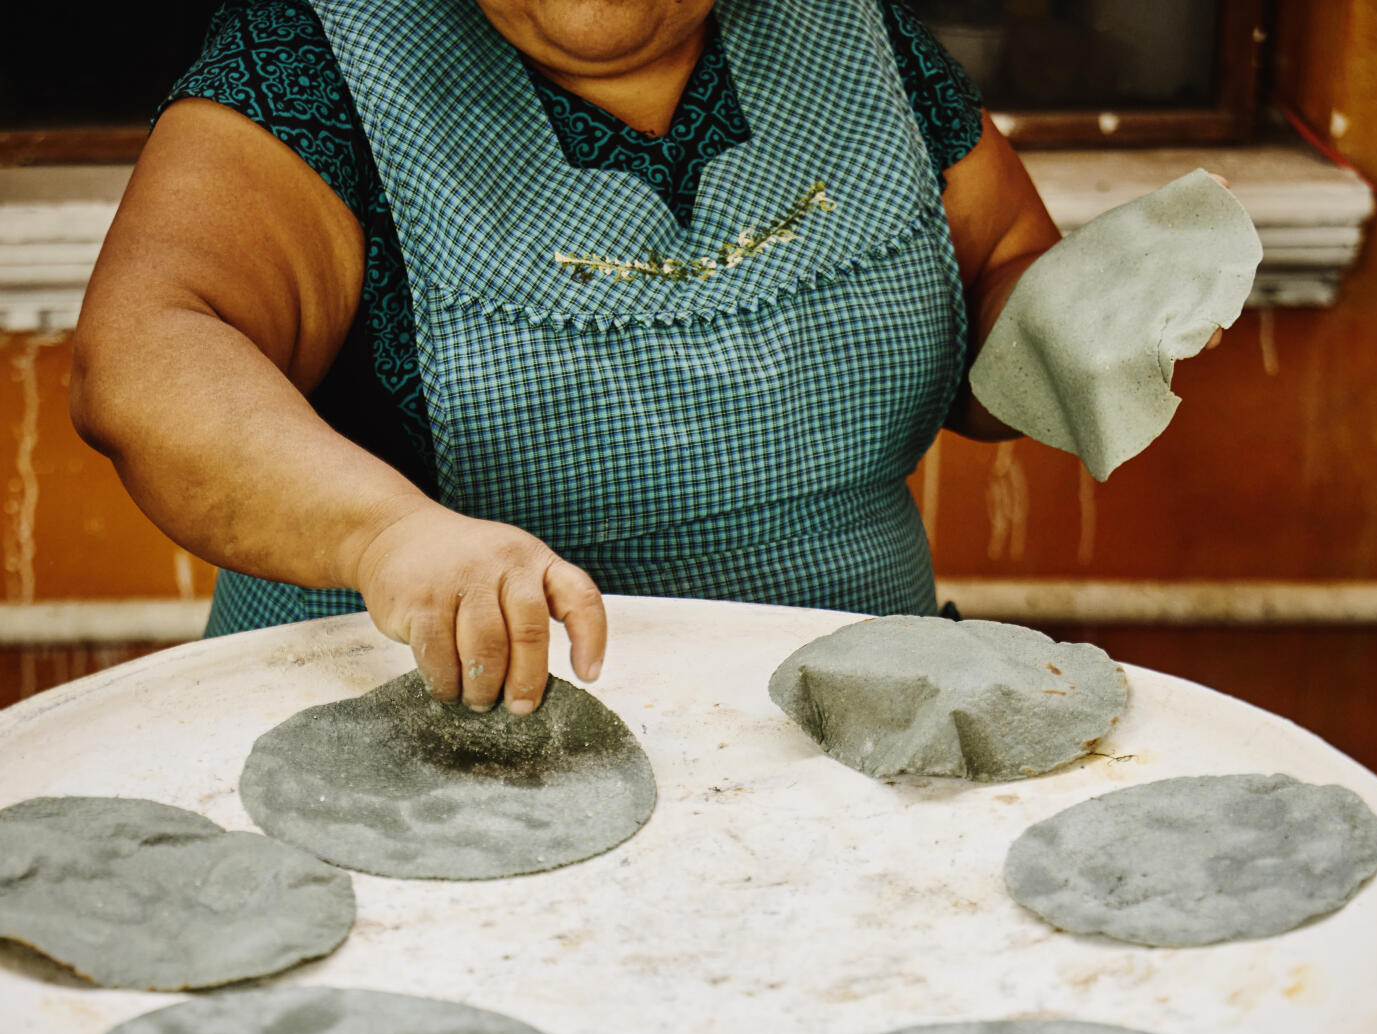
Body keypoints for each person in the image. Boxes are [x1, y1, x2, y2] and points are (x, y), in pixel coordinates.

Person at [72, 0, 1059, 713]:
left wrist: (1075, 323)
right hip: (418, 783)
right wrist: (384, 536)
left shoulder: (862, 44)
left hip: (851, 747)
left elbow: (1001, 273)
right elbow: (143, 356)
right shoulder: (302, 70)